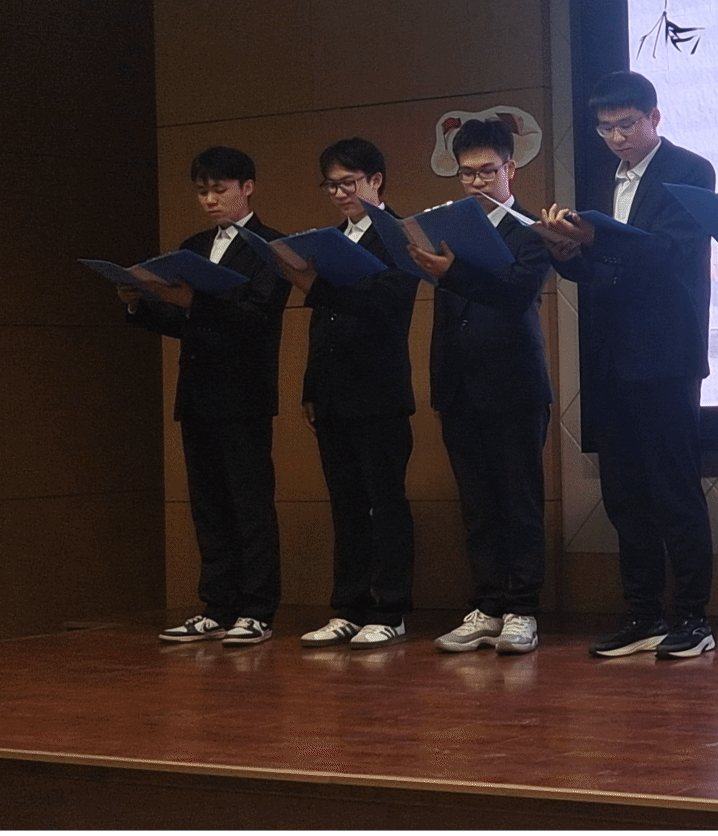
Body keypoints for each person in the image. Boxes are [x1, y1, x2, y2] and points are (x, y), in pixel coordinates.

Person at [539, 71, 718, 662]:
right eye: (605, 128)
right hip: (610, 354)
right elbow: (595, 271)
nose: (616, 138)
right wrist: (566, 252)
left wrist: (598, 237)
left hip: (665, 353)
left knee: (674, 489)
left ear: (654, 118)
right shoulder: (601, 178)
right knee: (623, 493)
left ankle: (693, 615)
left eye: (626, 125)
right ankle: (642, 612)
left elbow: (670, 251)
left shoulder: (690, 170)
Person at [127, 146, 291, 647]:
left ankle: (257, 610)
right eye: (202, 192)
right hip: (198, 393)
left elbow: (257, 316)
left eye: (219, 189)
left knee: (249, 503)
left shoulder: (272, 246)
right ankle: (217, 606)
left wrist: (195, 302)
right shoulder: (193, 246)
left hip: (244, 394)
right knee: (208, 504)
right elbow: (184, 322)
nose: (209, 200)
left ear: (248, 187)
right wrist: (139, 304)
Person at [412, 118, 554, 657]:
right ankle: (488, 606)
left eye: (486, 171)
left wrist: (452, 272)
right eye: (466, 173)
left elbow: (516, 294)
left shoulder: (532, 229)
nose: (476, 182)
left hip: (514, 386)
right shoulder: (446, 229)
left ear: (510, 168)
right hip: (459, 387)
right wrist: (439, 385)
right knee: (477, 506)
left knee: (520, 502)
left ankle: (522, 609)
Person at [284, 138, 420, 649]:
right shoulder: (332, 239)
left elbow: (387, 303)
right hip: (333, 392)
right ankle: (349, 606)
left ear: (375, 180)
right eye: (331, 185)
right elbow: (322, 323)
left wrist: (313, 284)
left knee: (385, 502)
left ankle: (390, 608)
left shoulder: (400, 233)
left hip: (380, 388)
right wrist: (310, 386)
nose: (340, 193)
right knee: (345, 503)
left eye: (349, 183)